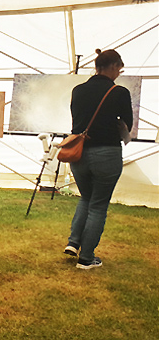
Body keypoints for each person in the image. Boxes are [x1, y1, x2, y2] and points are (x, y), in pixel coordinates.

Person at [64, 49, 132, 270]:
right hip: (106, 153)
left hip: (79, 153)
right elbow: (127, 124)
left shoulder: (78, 90)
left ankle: (74, 243)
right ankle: (87, 258)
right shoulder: (119, 92)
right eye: (119, 70)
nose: (118, 74)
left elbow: (78, 120)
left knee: (86, 198)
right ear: (112, 66)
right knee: (98, 206)